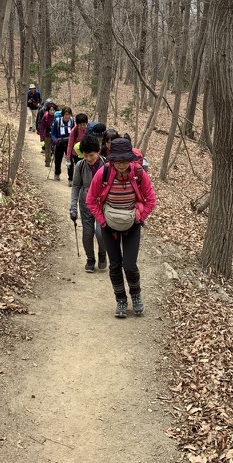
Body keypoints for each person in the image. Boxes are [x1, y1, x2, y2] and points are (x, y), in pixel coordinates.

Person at [85, 138, 157, 319]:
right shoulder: (103, 173)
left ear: (131, 160)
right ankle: (121, 301)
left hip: (132, 225)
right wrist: (102, 221)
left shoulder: (139, 173)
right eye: (118, 161)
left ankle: (136, 295)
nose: (122, 165)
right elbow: (90, 200)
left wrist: (141, 217)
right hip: (109, 226)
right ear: (112, 159)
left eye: (125, 161)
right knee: (115, 265)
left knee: (129, 265)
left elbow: (151, 199)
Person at [69, 135, 107, 273]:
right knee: (88, 232)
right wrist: (73, 207)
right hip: (85, 204)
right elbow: (75, 186)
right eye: (85, 155)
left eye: (91, 155)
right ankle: (90, 258)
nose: (89, 159)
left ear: (98, 152)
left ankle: (102, 253)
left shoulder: (106, 165)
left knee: (101, 232)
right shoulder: (80, 166)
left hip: (102, 204)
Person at [51, 106, 74, 182]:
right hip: (59, 143)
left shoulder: (72, 121)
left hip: (69, 144)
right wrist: (55, 140)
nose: (67, 116)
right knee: (58, 160)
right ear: (63, 115)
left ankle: (71, 178)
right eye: (66, 114)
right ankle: (57, 173)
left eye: (69, 114)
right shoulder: (57, 122)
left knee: (69, 161)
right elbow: (53, 133)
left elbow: (74, 132)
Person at [66, 112, 89, 181]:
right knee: (79, 168)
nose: (82, 126)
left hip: (86, 153)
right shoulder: (74, 131)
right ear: (77, 124)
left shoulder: (88, 130)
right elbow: (70, 144)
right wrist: (68, 158)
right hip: (76, 154)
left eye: (84, 124)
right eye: (80, 124)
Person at [39, 101, 57, 167]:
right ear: (48, 110)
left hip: (55, 135)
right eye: (51, 110)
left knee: (55, 149)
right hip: (47, 135)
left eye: (53, 110)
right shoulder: (45, 117)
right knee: (47, 149)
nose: (52, 111)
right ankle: (47, 162)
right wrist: (41, 137)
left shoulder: (57, 117)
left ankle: (56, 163)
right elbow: (42, 127)